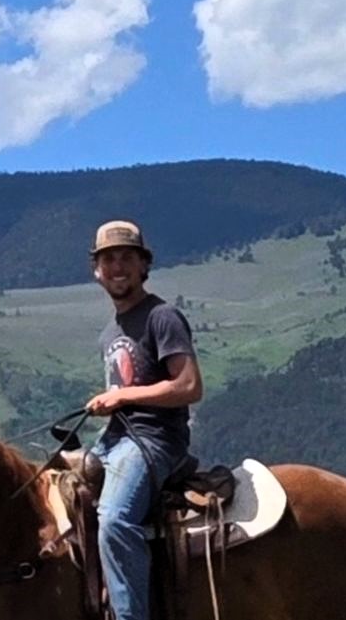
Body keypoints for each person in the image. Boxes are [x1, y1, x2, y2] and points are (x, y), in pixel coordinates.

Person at [86, 219, 203, 620]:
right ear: (96, 270)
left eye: (126, 258)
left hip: (155, 441)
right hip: (115, 440)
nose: (117, 267)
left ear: (143, 266)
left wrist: (121, 396)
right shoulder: (109, 332)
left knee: (116, 520)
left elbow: (188, 386)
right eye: (109, 259)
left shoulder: (162, 317)